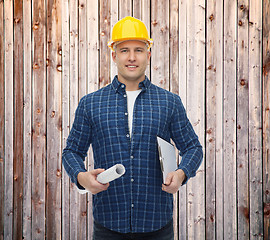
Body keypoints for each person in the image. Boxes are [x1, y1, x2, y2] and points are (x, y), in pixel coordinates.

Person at [62, 16, 203, 240]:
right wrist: (81, 177)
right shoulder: (91, 103)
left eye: (138, 49)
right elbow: (71, 152)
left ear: (148, 54)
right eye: (124, 49)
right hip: (108, 225)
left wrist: (181, 173)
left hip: (157, 225)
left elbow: (193, 148)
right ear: (113, 55)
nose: (131, 57)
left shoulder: (169, 102)